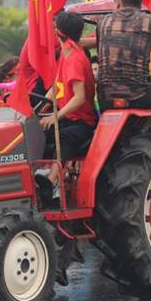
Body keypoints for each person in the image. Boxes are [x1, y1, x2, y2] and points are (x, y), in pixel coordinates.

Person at [37, 11, 98, 198]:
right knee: (33, 132)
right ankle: (36, 176)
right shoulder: (67, 53)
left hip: (82, 122)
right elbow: (56, 87)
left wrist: (56, 115)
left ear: (57, 32)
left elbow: (79, 98)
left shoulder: (75, 59)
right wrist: (38, 110)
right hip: (68, 117)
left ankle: (52, 180)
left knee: (63, 137)